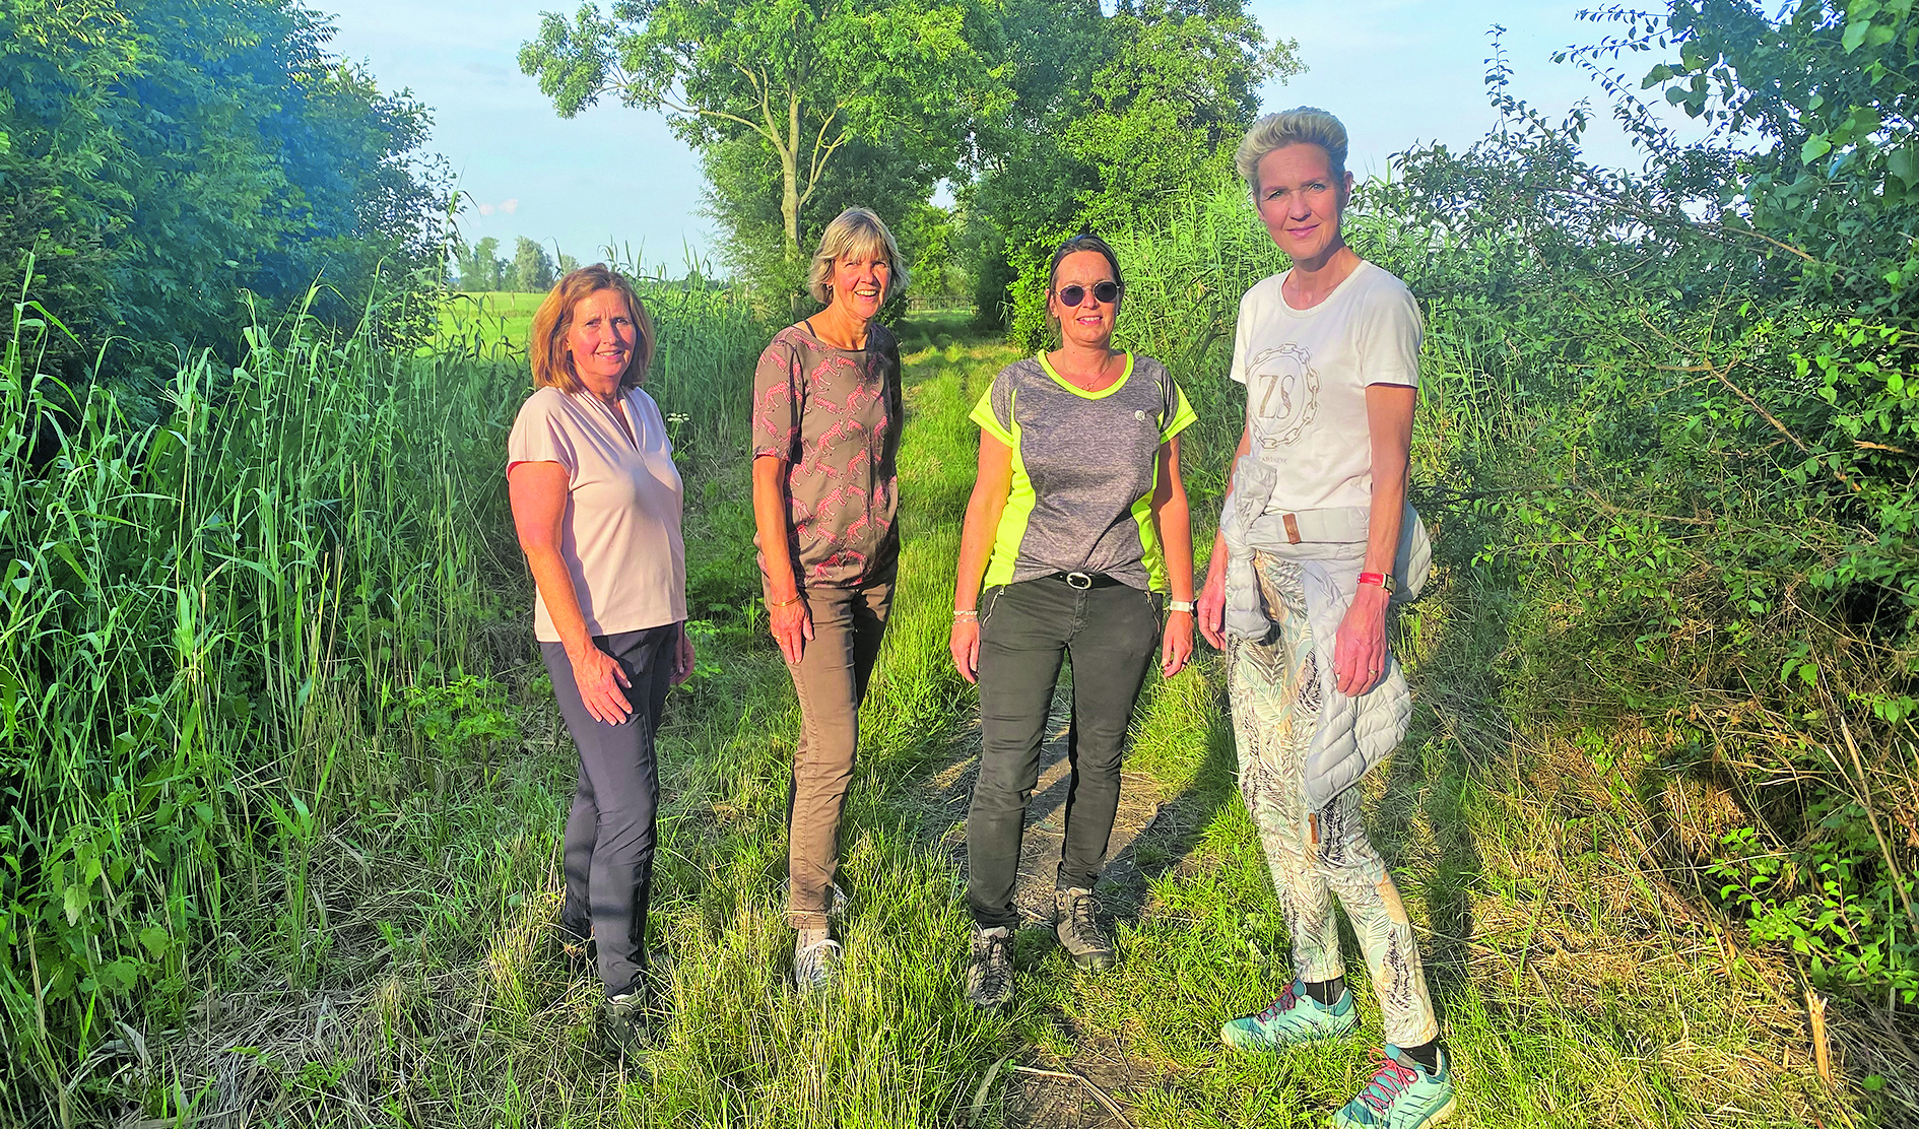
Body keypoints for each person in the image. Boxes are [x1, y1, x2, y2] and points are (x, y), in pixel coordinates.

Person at [1195, 108, 1455, 1128]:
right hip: (1259, 559)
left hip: (1340, 569)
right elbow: (1253, 446)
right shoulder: (1260, 305)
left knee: (1327, 812)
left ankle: (1418, 1052)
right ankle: (1317, 990)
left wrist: (1371, 601)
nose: (1293, 205)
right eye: (1273, 191)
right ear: (1257, 205)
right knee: (1265, 790)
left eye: (1309, 185)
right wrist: (1220, 559)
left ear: (1342, 186)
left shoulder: (1377, 301)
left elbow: (1391, 463)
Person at [950, 233, 1198, 1009]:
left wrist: (1182, 603)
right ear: (1052, 304)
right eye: (1073, 293)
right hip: (1023, 592)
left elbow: (1169, 499)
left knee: (1101, 755)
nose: (1089, 304)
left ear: (1118, 298)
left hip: (1122, 593)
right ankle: (990, 929)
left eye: (1103, 290)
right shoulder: (1016, 386)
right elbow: (986, 498)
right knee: (1006, 767)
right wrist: (964, 607)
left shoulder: (1153, 384)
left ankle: (1076, 896)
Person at [506, 265, 695, 1051]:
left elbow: (662, 519)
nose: (609, 336)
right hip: (592, 638)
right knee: (632, 808)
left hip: (652, 629)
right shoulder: (547, 415)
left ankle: (573, 926)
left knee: (601, 786)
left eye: (621, 322)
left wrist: (678, 623)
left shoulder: (643, 407)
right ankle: (622, 988)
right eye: (591, 323)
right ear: (561, 334)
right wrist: (583, 652)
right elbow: (538, 545)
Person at [750, 207, 908, 989]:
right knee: (837, 745)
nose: (867, 276)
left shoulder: (883, 350)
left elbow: (887, 450)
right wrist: (781, 588)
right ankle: (809, 920)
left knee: (825, 740)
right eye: (853, 263)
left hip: (874, 568)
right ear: (829, 270)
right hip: (810, 575)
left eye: (878, 264)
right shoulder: (789, 353)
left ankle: (805, 865)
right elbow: (767, 472)